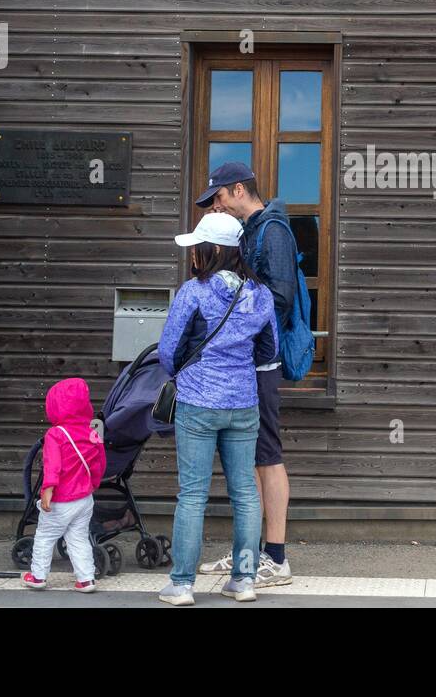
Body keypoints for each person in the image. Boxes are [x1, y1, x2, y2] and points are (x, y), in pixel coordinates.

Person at [157, 211, 279, 606]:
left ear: (208, 250)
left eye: (196, 246)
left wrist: (188, 373)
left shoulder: (194, 292)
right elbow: (269, 350)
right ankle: (244, 581)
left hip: (198, 402)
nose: (193, 252)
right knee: (245, 492)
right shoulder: (259, 293)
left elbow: (168, 352)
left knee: (192, 494)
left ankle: (181, 585)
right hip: (243, 402)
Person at [195, 162, 298, 587]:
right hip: (248, 362)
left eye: (218, 198)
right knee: (252, 459)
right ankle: (249, 552)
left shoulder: (271, 231)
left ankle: (275, 558)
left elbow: (281, 298)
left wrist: (234, 327)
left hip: (260, 363)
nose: (216, 207)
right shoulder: (254, 228)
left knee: (266, 457)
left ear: (238, 190)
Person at [21, 377, 107, 592]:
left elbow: (53, 466)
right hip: (85, 499)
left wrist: (47, 491)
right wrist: (93, 484)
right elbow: (100, 462)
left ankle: (38, 576)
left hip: (61, 499)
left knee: (45, 536)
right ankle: (86, 579)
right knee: (78, 538)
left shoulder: (55, 434)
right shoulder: (93, 431)